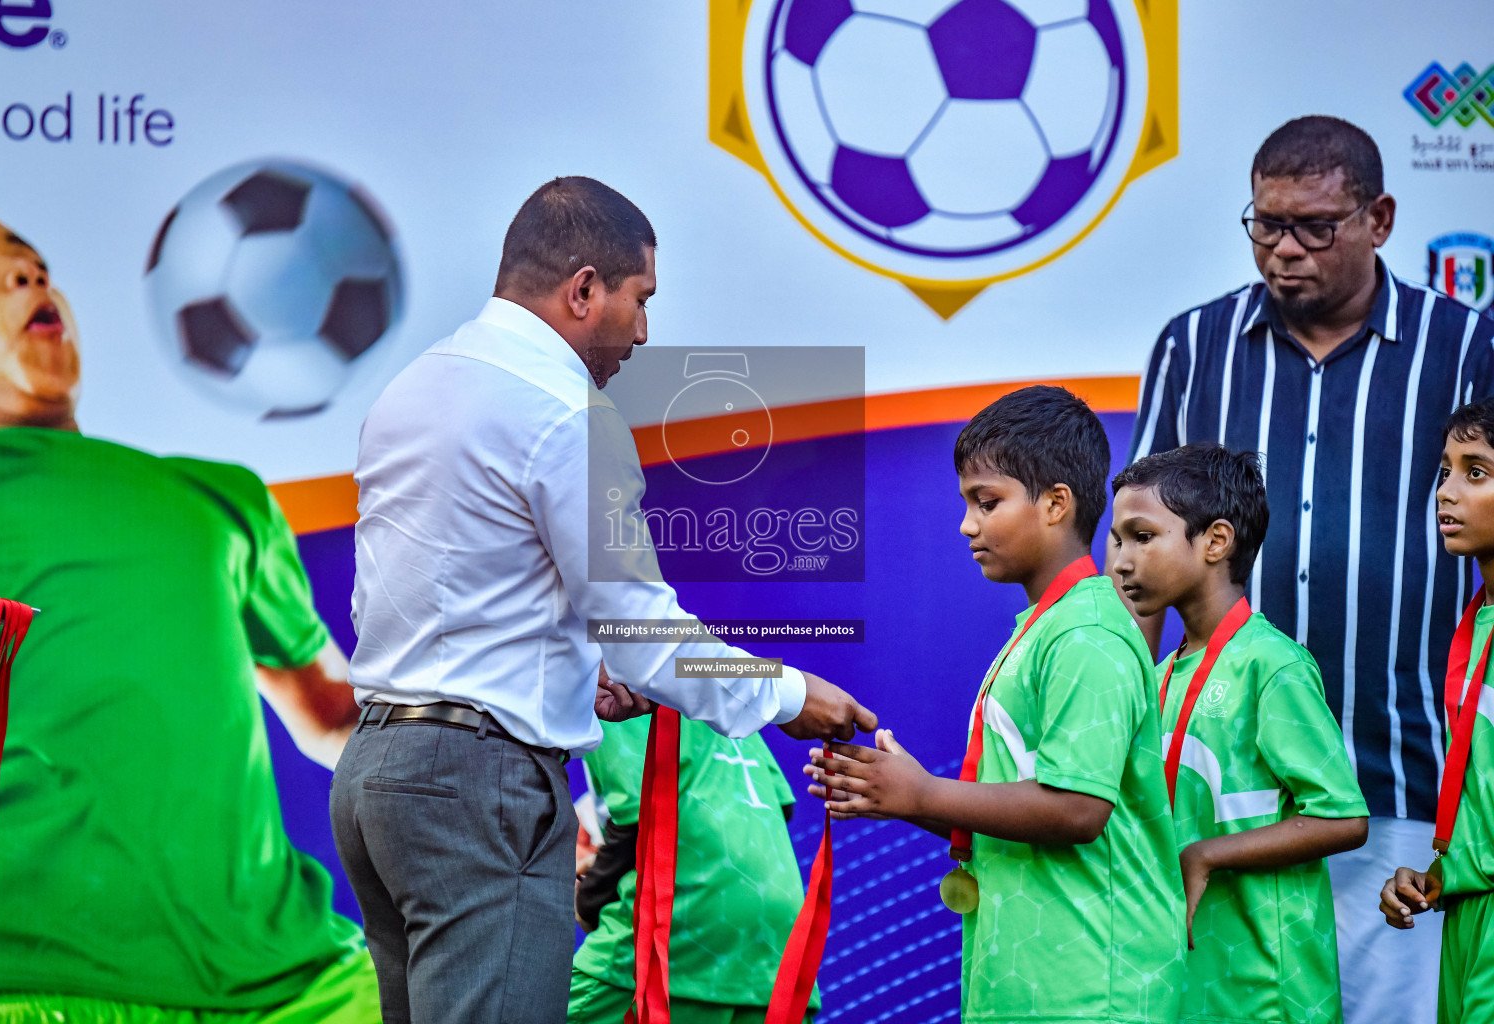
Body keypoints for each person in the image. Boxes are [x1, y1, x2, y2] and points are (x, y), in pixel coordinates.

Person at [334, 176, 875, 1024]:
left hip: (376, 779)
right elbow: (643, 634)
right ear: (583, 289)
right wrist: (789, 694)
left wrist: (565, 675)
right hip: (479, 788)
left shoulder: (411, 391)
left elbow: (416, 602)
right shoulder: (565, 410)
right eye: (640, 298)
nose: (646, 331)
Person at [0, 180, 379, 1022]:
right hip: (46, 992)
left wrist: (493, 775)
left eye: (35, 266)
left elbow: (335, 713)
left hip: (312, 984)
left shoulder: (219, 498)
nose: (29, 280)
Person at [1128, 115, 1494, 1023]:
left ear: (1381, 217)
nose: (1285, 251)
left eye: (1316, 227)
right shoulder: (1193, 346)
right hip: (1224, 794)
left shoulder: (1467, 346)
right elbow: (1137, 552)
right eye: (1265, 224)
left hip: (1402, 775)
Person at [807, 385, 1184, 1024]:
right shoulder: (1044, 626)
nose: (967, 525)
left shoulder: (1086, 633)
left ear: (1056, 505)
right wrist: (898, 793)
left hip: (1095, 990)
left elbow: (1077, 809)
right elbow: (1023, 808)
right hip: (1037, 983)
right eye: (967, 503)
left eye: (987, 501)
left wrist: (925, 794)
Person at [1110, 442, 1368, 1023]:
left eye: (1143, 536)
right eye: (1118, 539)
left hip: (1268, 987)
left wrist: (1207, 856)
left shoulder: (1270, 665)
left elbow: (1344, 817)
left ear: (1216, 542)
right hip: (1190, 979)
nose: (1123, 560)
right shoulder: (1160, 675)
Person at [568, 715, 817, 1023]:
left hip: (685, 926)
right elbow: (779, 804)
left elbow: (638, 818)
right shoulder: (727, 698)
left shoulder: (617, 691)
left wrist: (588, 902)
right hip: (777, 950)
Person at [1381, 398, 1494, 1024]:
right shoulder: (1477, 621)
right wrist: (1437, 874)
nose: (1447, 492)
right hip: (1468, 919)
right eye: (1445, 471)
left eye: (1475, 472)